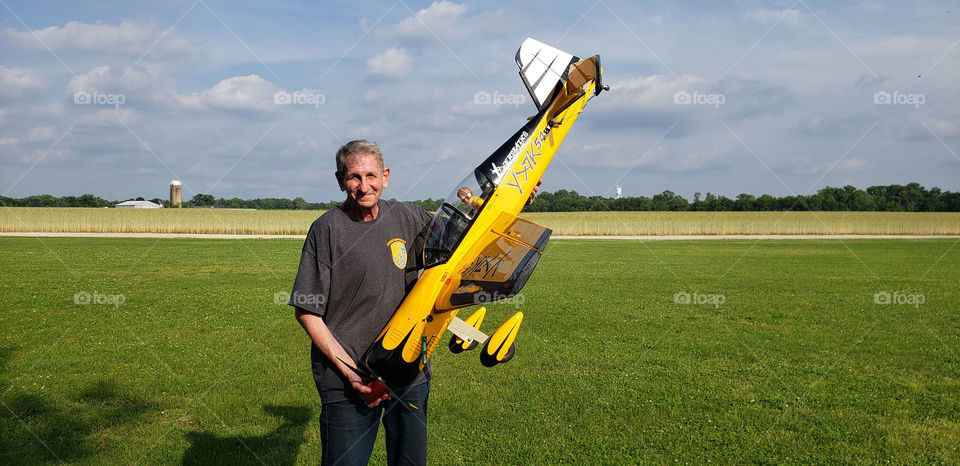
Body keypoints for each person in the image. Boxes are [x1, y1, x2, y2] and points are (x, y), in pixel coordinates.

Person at [289, 139, 433, 465]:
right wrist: (350, 373)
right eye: (354, 177)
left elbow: (465, 237)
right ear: (341, 181)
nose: (364, 186)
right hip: (348, 382)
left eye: (371, 175)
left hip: (408, 373)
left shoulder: (410, 218)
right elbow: (307, 310)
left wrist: (517, 198)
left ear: (386, 176)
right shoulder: (326, 229)